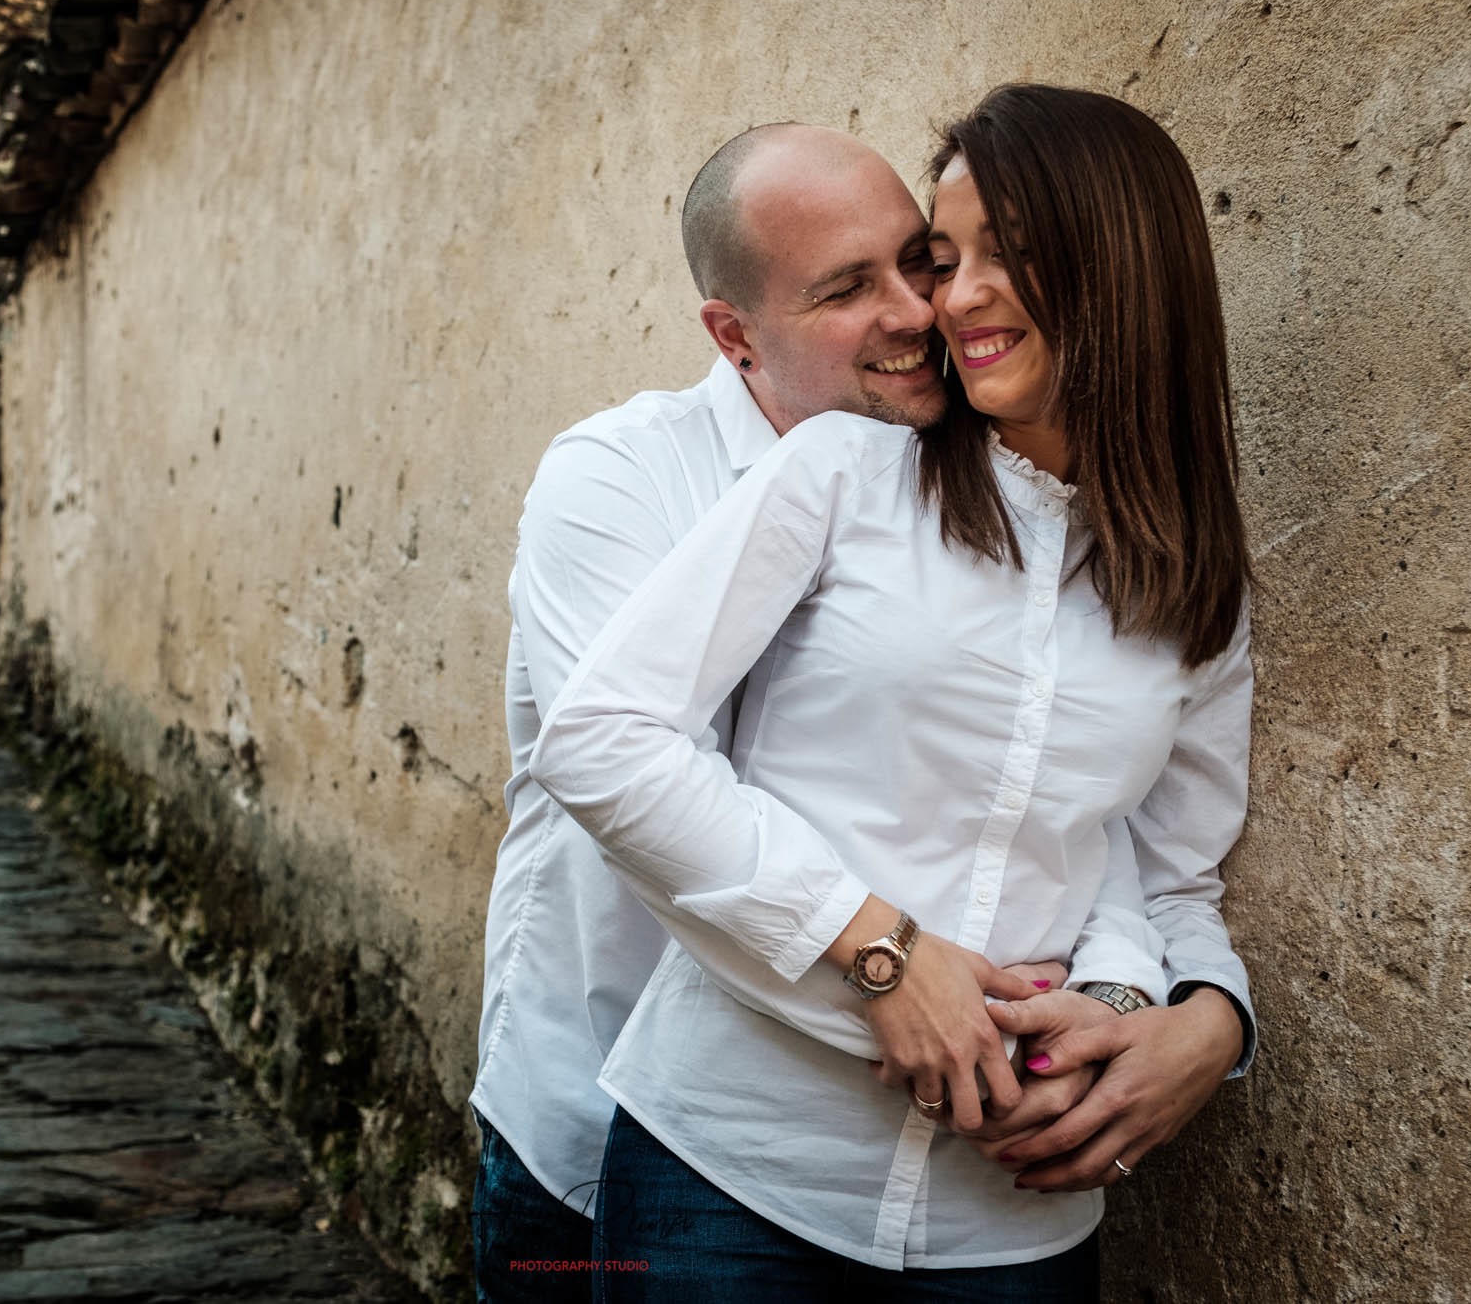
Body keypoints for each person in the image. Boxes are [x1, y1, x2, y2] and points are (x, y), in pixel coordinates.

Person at [528, 83, 1257, 1298]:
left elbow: (1163, 870)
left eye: (1001, 257)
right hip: (734, 1180)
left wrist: (1159, 1015)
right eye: (942, 255)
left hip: (1012, 1225)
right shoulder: (839, 475)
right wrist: (882, 951)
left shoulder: (1195, 588)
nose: (946, 299)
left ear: (1125, 272)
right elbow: (605, 739)